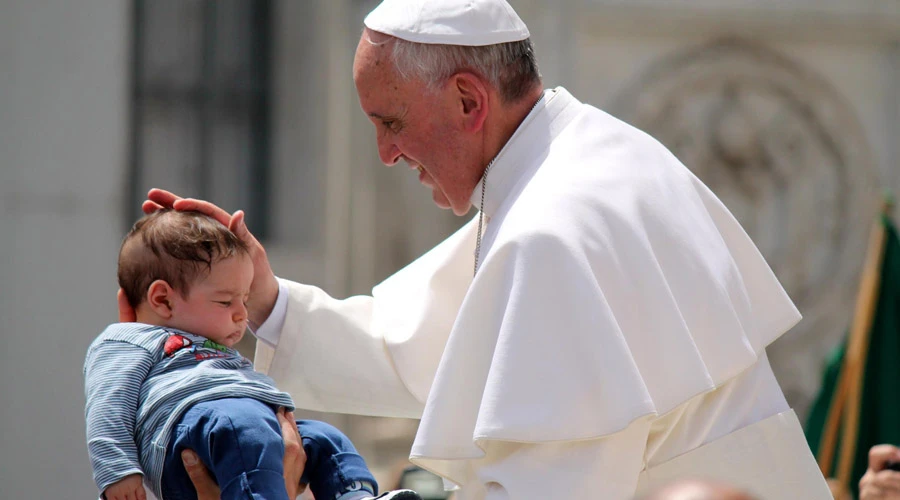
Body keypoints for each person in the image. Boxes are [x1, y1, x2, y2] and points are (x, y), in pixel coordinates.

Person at [125, 0, 835, 498]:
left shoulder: (552, 229)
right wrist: (263, 300)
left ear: (469, 101)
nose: (386, 153)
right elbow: (428, 346)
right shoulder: (588, 157)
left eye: (391, 122)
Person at [86, 210, 422, 500]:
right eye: (225, 302)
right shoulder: (128, 340)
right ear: (163, 299)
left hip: (243, 426)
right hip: (188, 435)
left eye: (244, 300)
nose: (241, 315)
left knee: (323, 437)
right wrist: (118, 470)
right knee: (243, 424)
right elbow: (107, 406)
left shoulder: (213, 344)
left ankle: (355, 495)